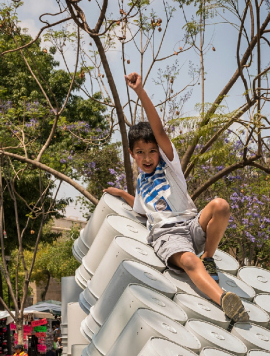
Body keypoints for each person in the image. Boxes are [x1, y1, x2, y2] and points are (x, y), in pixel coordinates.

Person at [106, 72, 248, 324]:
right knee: (189, 260)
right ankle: (224, 299)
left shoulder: (170, 166)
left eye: (152, 151)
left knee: (221, 206)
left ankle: (210, 258)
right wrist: (120, 193)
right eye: (140, 152)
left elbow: (158, 129)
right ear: (131, 154)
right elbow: (140, 209)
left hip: (191, 225)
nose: (147, 157)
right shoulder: (140, 183)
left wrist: (140, 92)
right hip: (167, 236)